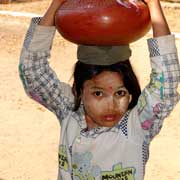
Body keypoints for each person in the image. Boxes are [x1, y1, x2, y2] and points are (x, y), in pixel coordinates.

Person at [19, 0, 180, 179]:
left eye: (120, 93)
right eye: (98, 93)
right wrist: (57, 4)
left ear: (130, 93)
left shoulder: (136, 125)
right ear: (79, 92)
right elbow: (32, 71)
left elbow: (167, 80)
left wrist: (153, 5)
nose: (111, 105)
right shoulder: (69, 112)